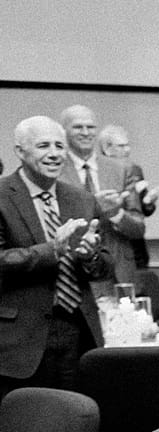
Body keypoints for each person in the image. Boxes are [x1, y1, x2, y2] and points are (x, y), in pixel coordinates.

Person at [0, 117, 113, 400]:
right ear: (20, 151)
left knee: (80, 417)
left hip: (80, 333)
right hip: (20, 342)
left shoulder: (82, 199)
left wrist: (90, 257)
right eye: (43, 146)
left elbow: (106, 265)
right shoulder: (2, 196)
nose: (54, 154)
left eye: (59, 146)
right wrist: (51, 250)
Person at [58, 105, 143, 286]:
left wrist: (115, 213)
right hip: (75, 273)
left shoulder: (121, 169)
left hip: (120, 274)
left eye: (90, 127)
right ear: (64, 131)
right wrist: (92, 206)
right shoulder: (55, 171)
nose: (85, 132)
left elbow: (138, 229)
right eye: (78, 127)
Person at [97, 123, 159, 269]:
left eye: (128, 145)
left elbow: (142, 211)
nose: (127, 150)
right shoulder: (96, 171)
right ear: (107, 149)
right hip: (109, 241)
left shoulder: (135, 170)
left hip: (135, 244)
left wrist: (147, 203)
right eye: (121, 146)